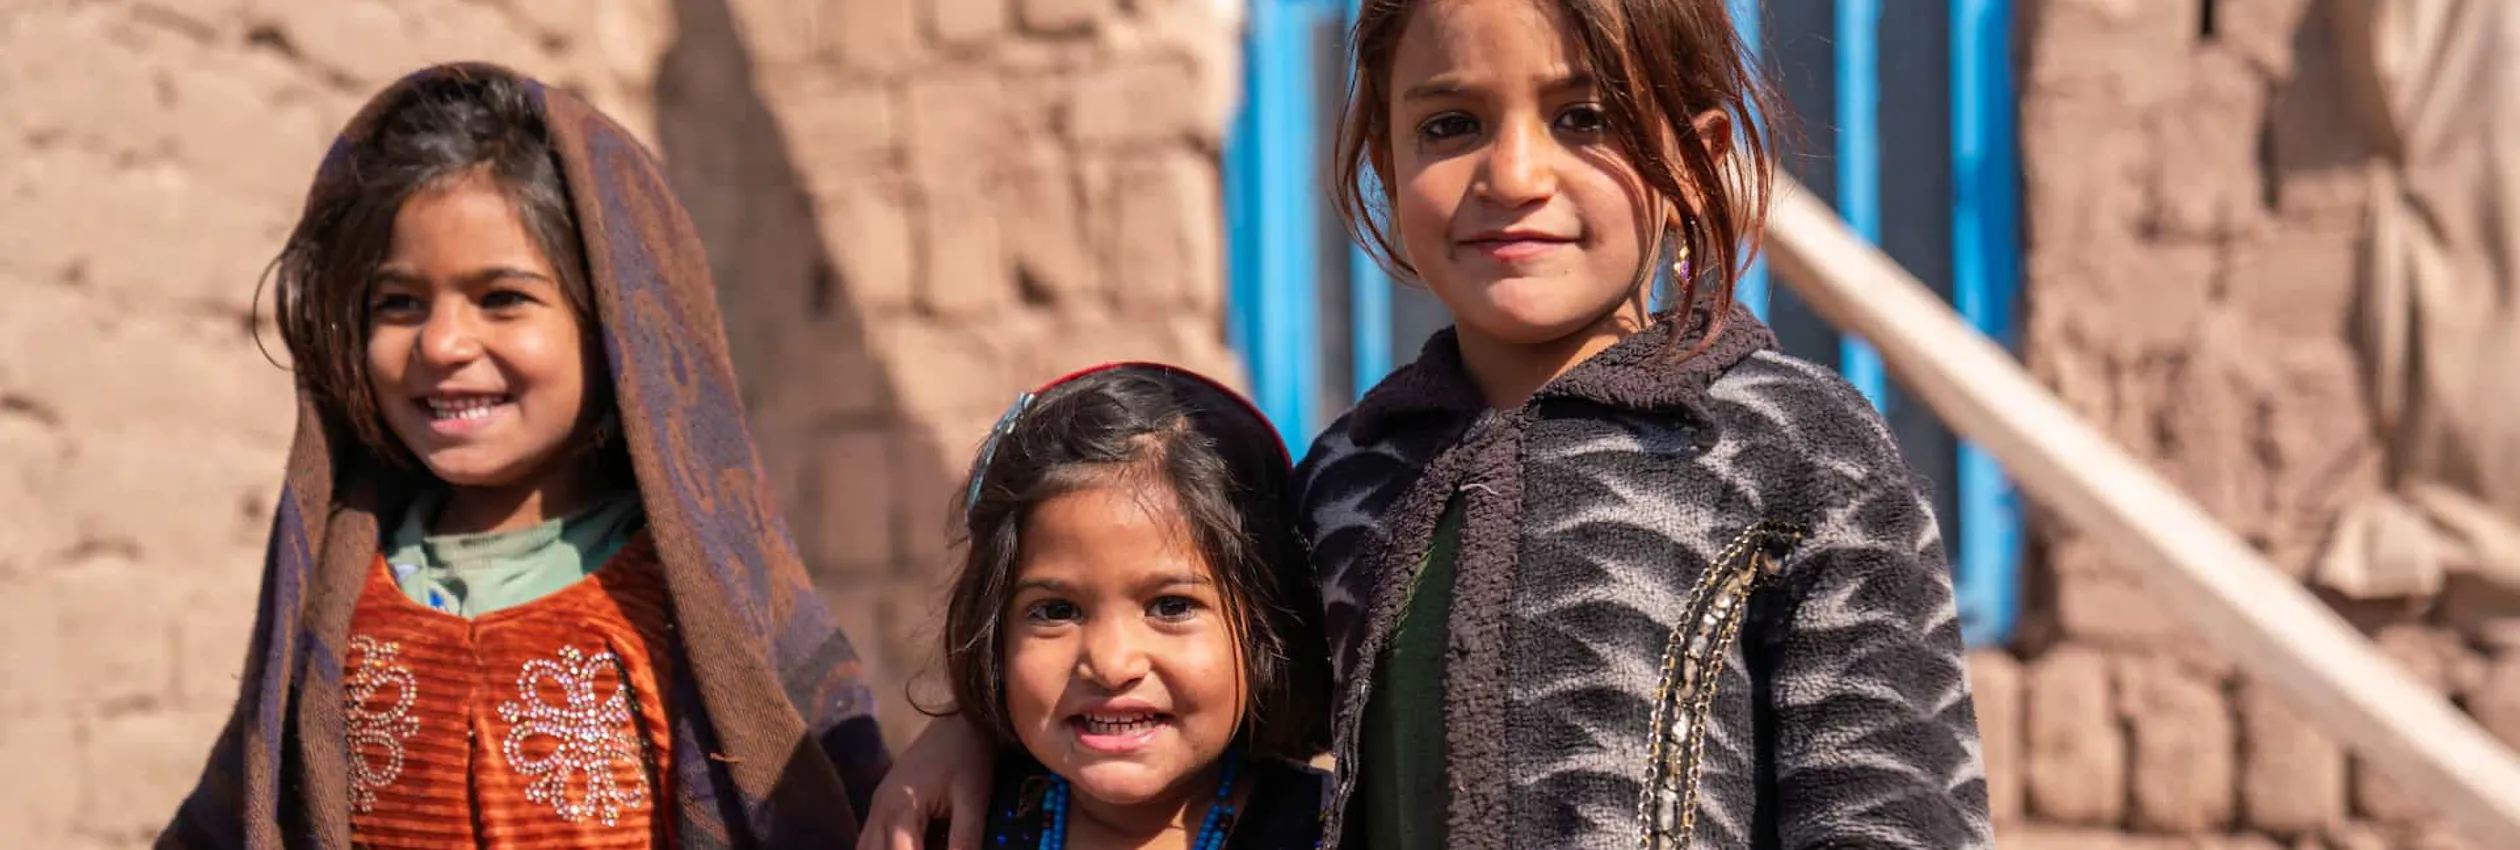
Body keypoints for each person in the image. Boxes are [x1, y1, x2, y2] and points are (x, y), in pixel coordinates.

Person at [862, 1, 1991, 847]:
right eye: (1451, 123)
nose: (1515, 173)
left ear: (1694, 157)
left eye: (1585, 117)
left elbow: (1892, 805)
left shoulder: (1794, 447)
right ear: (1383, 158)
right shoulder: (1353, 474)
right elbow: (1186, 691)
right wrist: (976, 729)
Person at [160, 63, 889, 848]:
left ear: (615, 327)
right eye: (399, 303)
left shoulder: (705, 603)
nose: (442, 344)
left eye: (502, 299)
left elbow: (842, 808)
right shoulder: (333, 597)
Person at [937, 363, 1330, 849]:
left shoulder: (1336, 830)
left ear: (1264, 623)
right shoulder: (955, 824)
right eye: (1056, 611)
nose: (1111, 664)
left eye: (1171, 606)